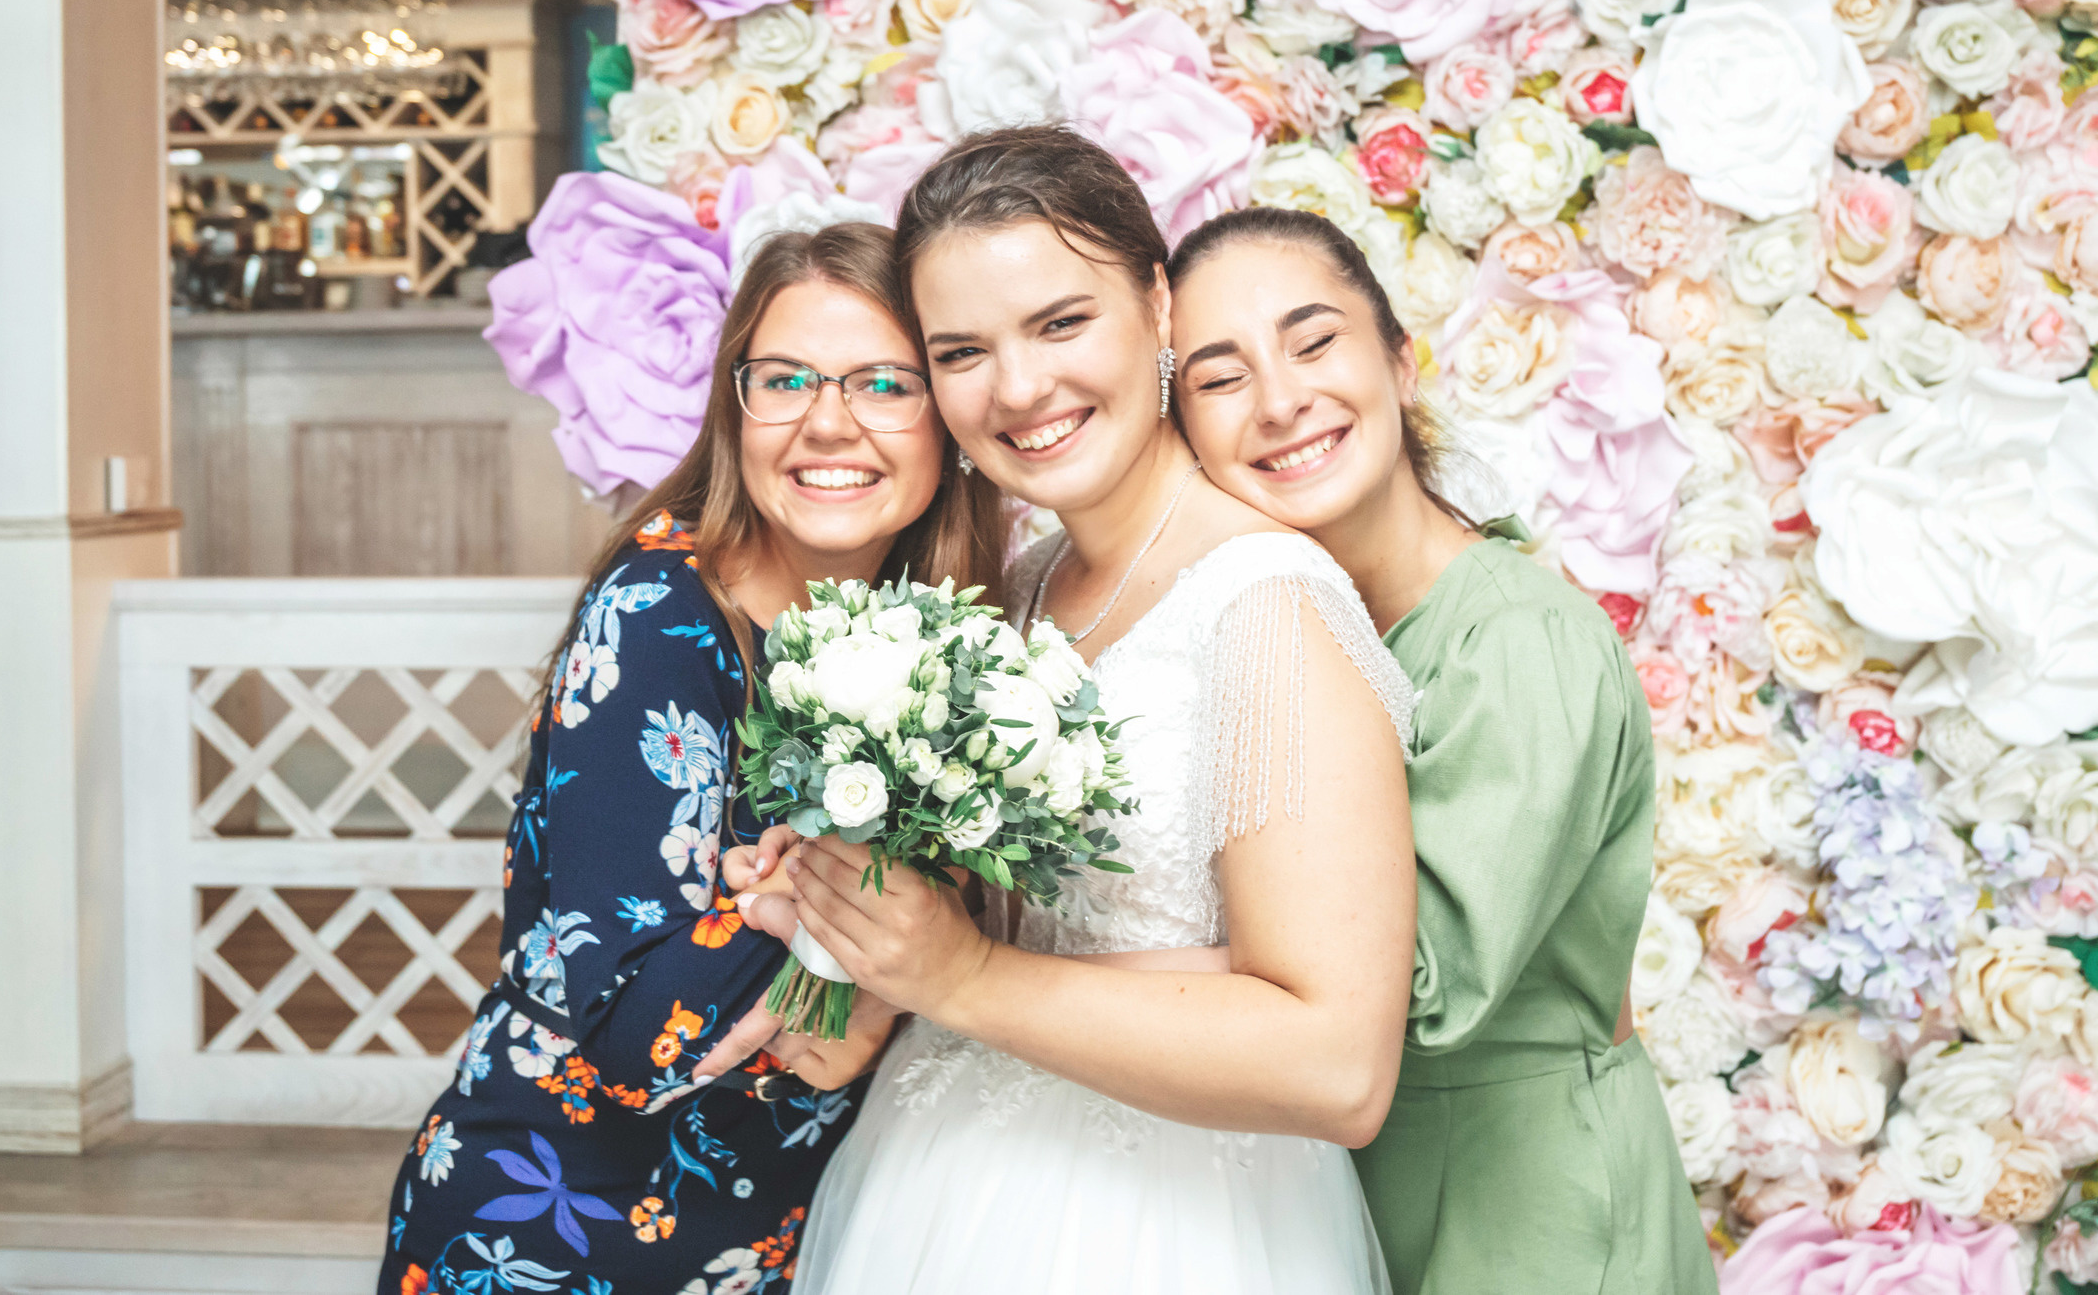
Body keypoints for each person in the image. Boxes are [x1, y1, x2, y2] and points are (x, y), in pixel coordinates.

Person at [712, 127, 1419, 1295]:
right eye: (961, 351)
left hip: (1174, 1227)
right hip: (939, 1186)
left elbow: (1339, 1067)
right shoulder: (1022, 585)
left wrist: (963, 978)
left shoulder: (1266, 602)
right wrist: (851, 893)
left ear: (1156, 306)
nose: (1019, 388)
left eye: (1059, 323)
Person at [375, 223, 1007, 1295]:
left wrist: (830, 911)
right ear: (734, 403)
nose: (825, 421)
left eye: (882, 385)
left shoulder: (926, 630)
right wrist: (830, 888)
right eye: (785, 378)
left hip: (769, 1230)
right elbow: (637, 1033)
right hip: (558, 1230)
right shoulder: (663, 614)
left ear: (945, 420)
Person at [1163, 206, 1716, 1295]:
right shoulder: (1280, 633)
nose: (1281, 402)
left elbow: (1417, 993)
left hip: (1522, 1206)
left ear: (1401, 365)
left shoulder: (1515, 636)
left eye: (1315, 343)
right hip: (1337, 1189)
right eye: (1219, 380)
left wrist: (1047, 963)